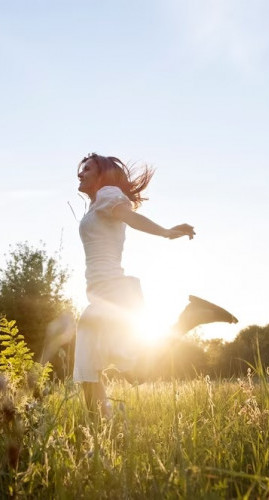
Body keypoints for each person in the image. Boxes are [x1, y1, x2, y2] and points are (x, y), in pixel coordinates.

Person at [72, 153, 195, 417]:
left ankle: (190, 319)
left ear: (102, 175)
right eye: (80, 170)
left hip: (113, 294)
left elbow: (129, 216)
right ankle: (102, 429)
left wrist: (165, 232)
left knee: (134, 370)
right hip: (100, 297)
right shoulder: (96, 205)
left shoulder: (107, 195)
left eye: (87, 169)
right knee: (86, 370)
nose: (80, 174)